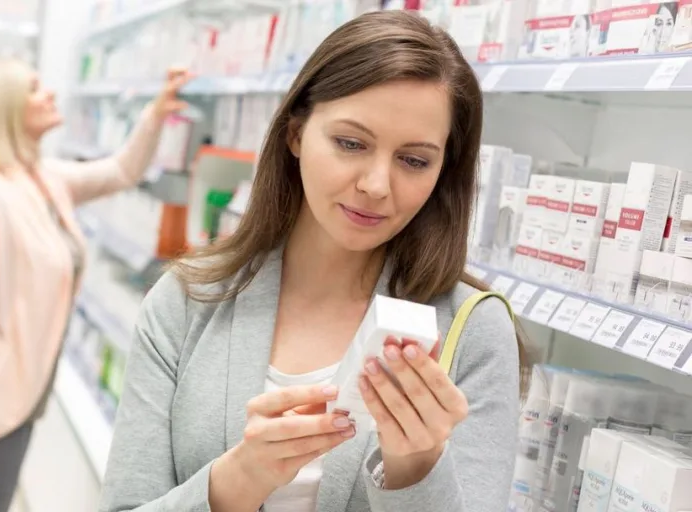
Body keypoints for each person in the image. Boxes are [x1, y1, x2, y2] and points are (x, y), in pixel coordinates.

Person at [100, 11, 524, 512]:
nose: (376, 185)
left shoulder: (472, 331)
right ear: (296, 133)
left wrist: (416, 468)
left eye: (413, 160)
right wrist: (234, 482)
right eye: (350, 143)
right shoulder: (187, 301)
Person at [0, 59, 192, 512]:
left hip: (23, 389)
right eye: (33, 89)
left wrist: (155, 116)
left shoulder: (43, 179)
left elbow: (122, 172)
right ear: (2, 108)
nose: (48, 95)